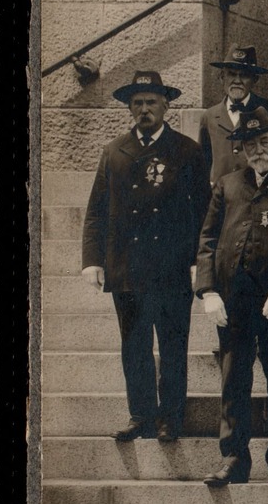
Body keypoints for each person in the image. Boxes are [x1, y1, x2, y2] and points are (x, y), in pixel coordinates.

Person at [83, 68, 210, 444]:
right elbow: (96, 211)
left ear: (166, 105)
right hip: (128, 268)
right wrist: (92, 260)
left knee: (173, 345)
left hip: (171, 268)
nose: (144, 109)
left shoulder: (187, 151)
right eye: (137, 103)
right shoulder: (114, 152)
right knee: (134, 345)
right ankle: (140, 415)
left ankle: (170, 417)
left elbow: (204, 212)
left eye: (151, 102)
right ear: (129, 108)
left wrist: (197, 262)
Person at [193, 106, 268, 488]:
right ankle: (233, 456)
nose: (259, 150)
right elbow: (208, 239)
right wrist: (209, 290)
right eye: (251, 144)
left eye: (265, 141)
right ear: (242, 148)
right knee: (234, 378)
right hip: (234, 302)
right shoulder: (228, 184)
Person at [198, 45, 268, 183]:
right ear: (222, 77)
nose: (237, 81)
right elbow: (203, 165)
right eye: (232, 74)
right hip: (221, 200)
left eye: (244, 75)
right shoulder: (209, 116)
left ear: (254, 79)